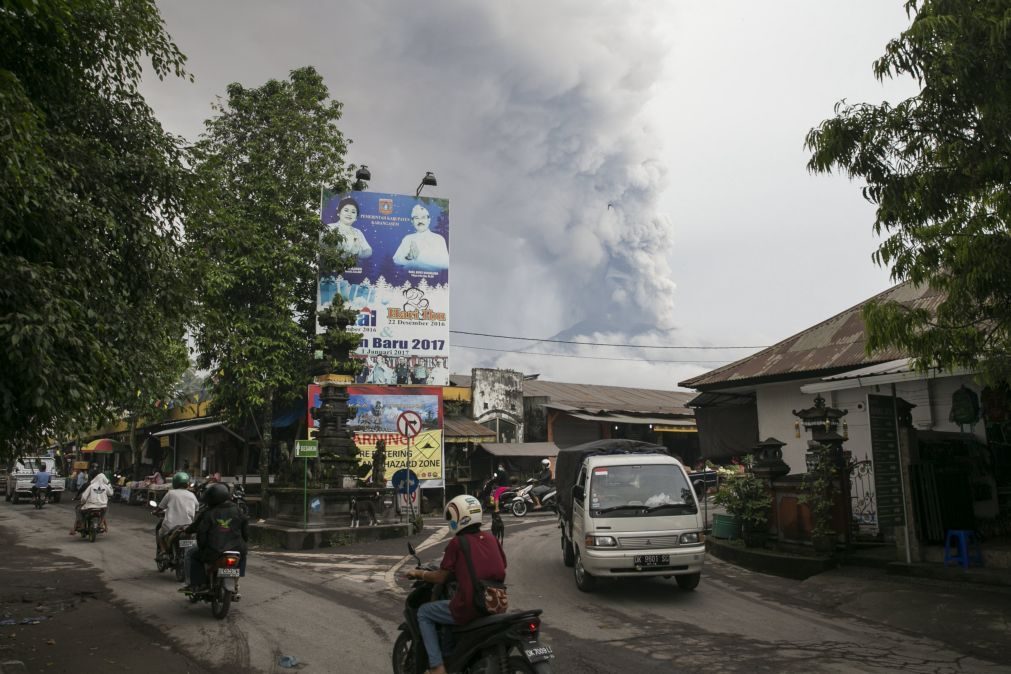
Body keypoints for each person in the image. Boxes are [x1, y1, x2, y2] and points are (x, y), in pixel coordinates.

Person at [405, 495, 506, 674]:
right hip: (496, 603)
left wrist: (419, 573)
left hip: (470, 605)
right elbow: (500, 566)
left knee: (424, 612)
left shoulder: (457, 543)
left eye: (452, 518)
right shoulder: (491, 539)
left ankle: (437, 666)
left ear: (459, 517)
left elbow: (440, 577)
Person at [181, 482, 248, 594]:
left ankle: (196, 584)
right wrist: (243, 543)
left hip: (214, 550)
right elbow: (245, 532)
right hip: (236, 548)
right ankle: (236, 582)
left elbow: (201, 532)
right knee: (243, 554)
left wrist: (202, 547)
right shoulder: (238, 510)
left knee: (191, 554)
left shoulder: (208, 513)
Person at [154, 471, 198, 560]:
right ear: (187, 483)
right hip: (187, 526)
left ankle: (163, 551)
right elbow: (196, 510)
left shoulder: (171, 493)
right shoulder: (192, 495)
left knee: (160, 533)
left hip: (171, 525)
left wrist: (155, 512)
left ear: (175, 483)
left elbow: (160, 507)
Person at [392, 204, 449, 271]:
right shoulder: (407, 238)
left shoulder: (438, 239)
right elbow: (396, 260)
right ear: (412, 221)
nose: (420, 221)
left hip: (432, 279)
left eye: (423, 217)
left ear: (429, 220)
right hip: (407, 278)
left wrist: (419, 256)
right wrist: (408, 257)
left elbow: (446, 264)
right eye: (416, 218)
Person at [71, 469, 111, 534]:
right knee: (105, 510)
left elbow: (83, 496)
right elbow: (110, 493)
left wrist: (80, 500)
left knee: (78, 509)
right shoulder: (104, 486)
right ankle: (102, 524)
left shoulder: (89, 485)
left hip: (89, 506)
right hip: (102, 506)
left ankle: (82, 524)